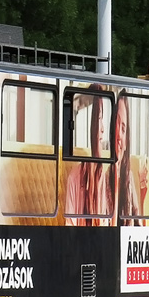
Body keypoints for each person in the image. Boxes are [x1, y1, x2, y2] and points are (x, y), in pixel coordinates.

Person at [64, 93, 110, 224]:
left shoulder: (110, 175)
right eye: (99, 119)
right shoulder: (76, 176)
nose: (102, 129)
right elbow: (70, 224)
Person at [110, 95, 149, 223]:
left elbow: (138, 222)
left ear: (127, 140)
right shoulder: (104, 180)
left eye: (123, 129)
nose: (119, 137)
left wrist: (143, 193)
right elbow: (107, 226)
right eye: (116, 125)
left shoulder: (129, 177)